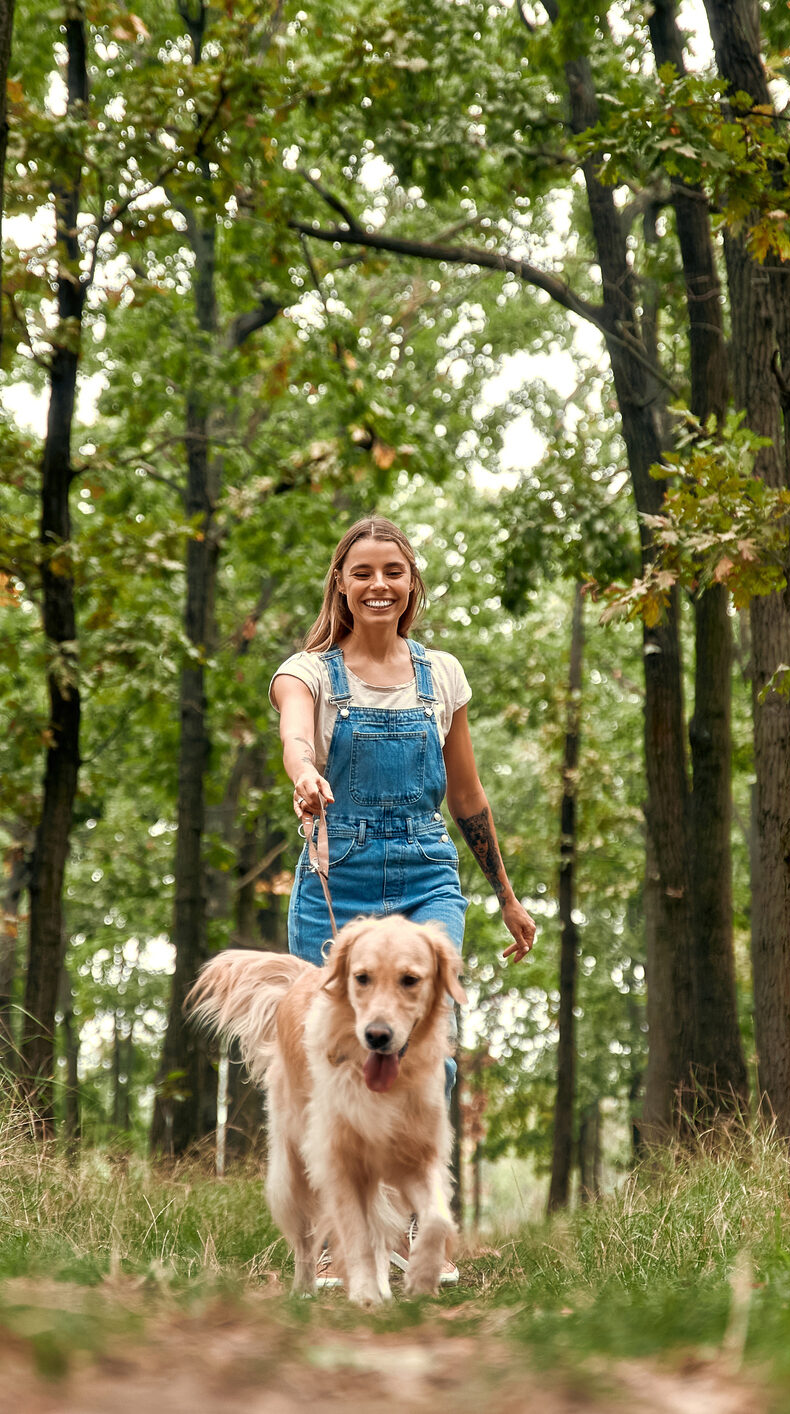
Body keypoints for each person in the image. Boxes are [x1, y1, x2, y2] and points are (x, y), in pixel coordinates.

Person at [269, 515, 537, 1286]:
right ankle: (341, 1237)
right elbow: (295, 738)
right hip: (337, 874)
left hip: (425, 873)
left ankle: (415, 1227)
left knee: (428, 1049)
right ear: (341, 585)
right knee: (333, 1059)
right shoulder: (309, 674)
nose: (378, 584)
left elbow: (467, 794)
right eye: (362, 572)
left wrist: (507, 899)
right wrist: (305, 776)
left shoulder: (440, 676)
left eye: (393, 570)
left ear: (411, 583)